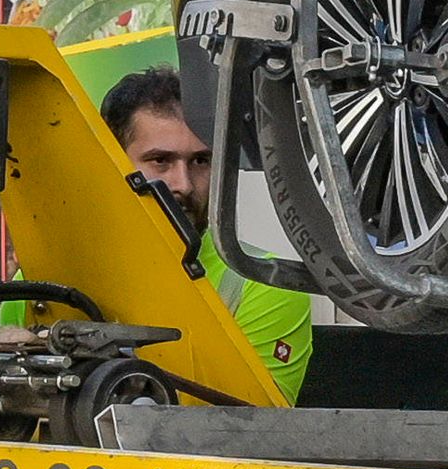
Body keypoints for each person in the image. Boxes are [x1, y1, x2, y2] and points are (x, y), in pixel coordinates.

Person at [98, 65, 310, 400]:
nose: (181, 185)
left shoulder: (265, 282)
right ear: (111, 164)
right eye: (160, 161)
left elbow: (252, 433)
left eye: (200, 161)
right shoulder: (42, 280)